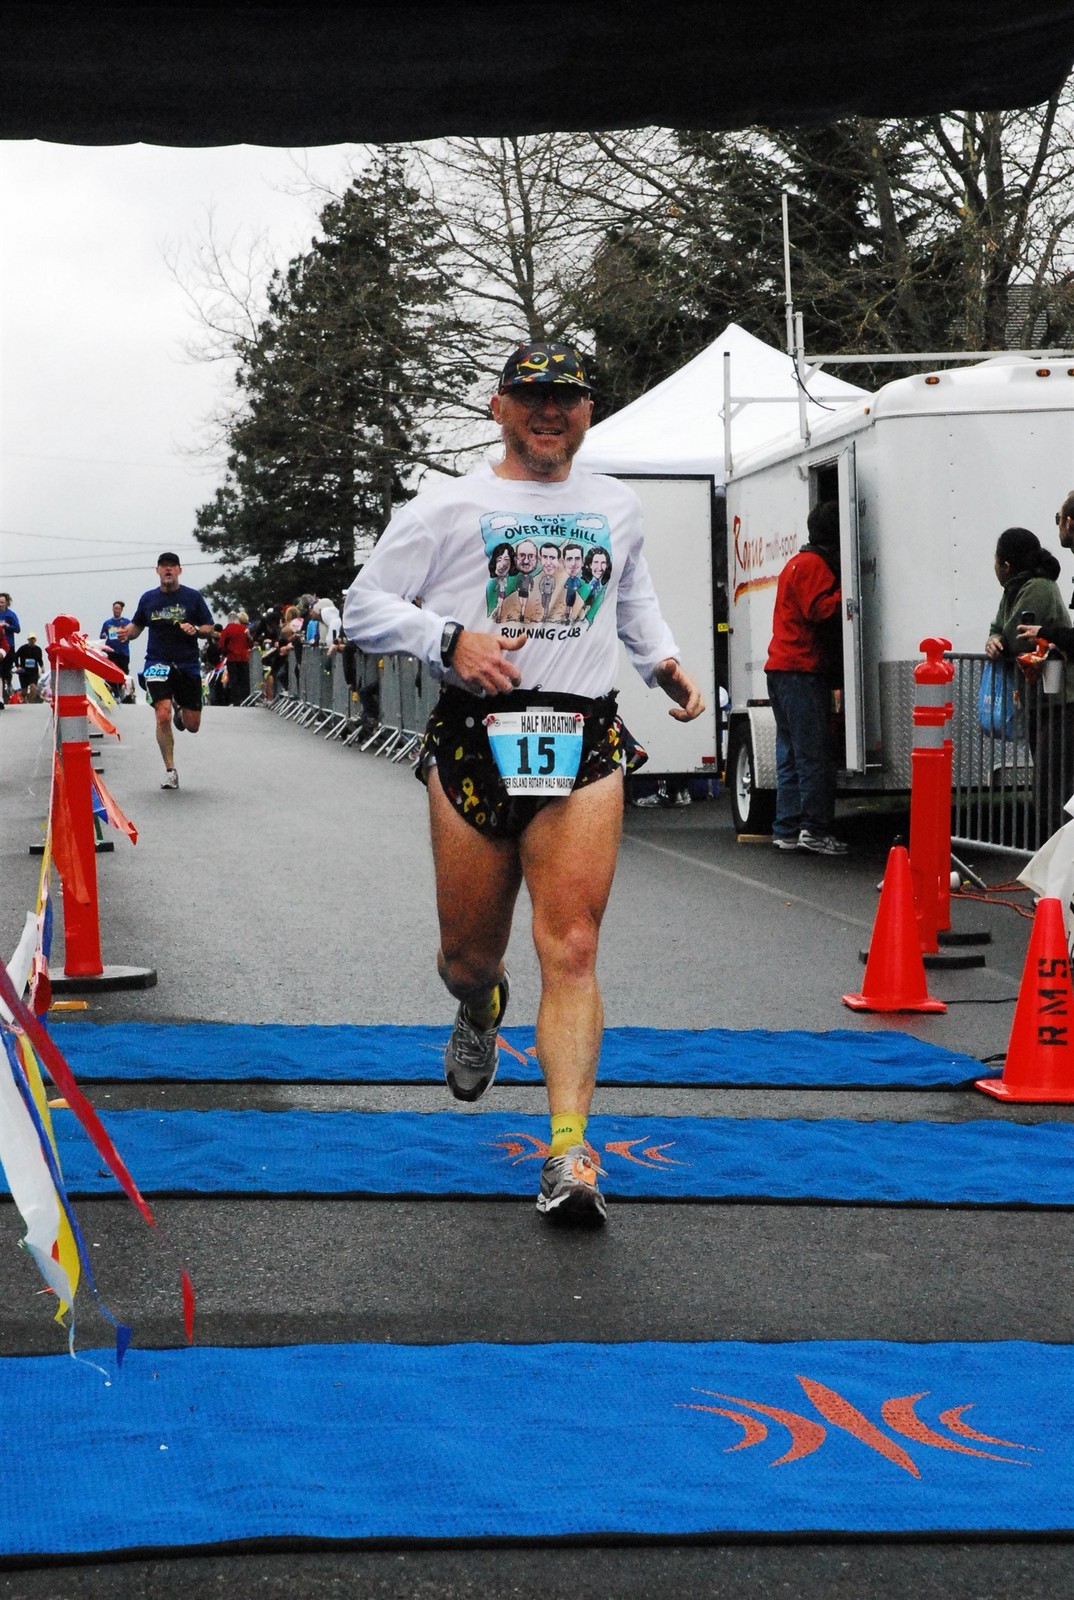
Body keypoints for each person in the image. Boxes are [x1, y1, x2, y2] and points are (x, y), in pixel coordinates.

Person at [343, 339, 703, 1226]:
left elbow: (632, 597)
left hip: (580, 737)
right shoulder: (446, 505)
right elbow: (363, 607)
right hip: (475, 736)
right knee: (467, 956)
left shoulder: (616, 506)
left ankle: (569, 1151)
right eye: (533, 397)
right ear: (499, 407)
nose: (550, 413)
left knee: (572, 945)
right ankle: (481, 1006)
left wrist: (662, 663)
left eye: (567, 399)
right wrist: (447, 639)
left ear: (588, 412)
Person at [764, 500, 847, 856]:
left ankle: (786, 828)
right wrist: (848, 591)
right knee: (813, 755)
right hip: (801, 670)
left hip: (780, 668)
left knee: (790, 754)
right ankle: (814, 829)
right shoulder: (815, 565)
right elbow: (820, 609)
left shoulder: (795, 563)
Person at [987, 524, 1074, 841]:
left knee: (1052, 786)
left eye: (996, 561)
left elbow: (1016, 636)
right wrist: (992, 639)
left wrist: (1001, 641)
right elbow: (999, 627)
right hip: (1040, 698)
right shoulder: (1012, 590)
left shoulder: (1038, 587)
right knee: (1049, 780)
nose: (994, 568)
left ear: (1006, 565)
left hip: (1061, 699)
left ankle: (1060, 854)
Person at [118, 552, 214, 789]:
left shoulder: (192, 597)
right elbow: (137, 626)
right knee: (162, 715)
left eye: (172, 566)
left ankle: (181, 711)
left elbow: (209, 627)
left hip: (186, 664)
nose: (168, 570)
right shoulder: (149, 599)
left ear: (179, 570)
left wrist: (197, 631)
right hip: (157, 663)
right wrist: (127, 633)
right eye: (164, 566)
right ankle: (170, 770)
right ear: (157, 571)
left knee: (192, 725)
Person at [218, 611, 253, 704]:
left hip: (232, 658)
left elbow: (221, 645)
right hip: (244, 657)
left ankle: (236, 701)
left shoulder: (226, 630)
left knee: (234, 680)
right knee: (244, 679)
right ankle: (246, 699)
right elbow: (250, 644)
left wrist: (224, 652)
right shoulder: (244, 629)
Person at [0, 592, 20, 706]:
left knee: (6, 668)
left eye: (2, 602)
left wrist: (8, 626)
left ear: (6, 603)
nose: (0, 604)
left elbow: (18, 629)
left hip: (9, 645)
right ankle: (2, 695)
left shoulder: (11, 615)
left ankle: (8, 681)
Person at [13, 634, 45, 700]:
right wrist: (18, 666)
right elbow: (15, 656)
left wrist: (42, 667)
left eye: (33, 639)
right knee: (24, 692)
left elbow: (40, 659)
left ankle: (29, 701)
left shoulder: (38, 649)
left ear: (35, 640)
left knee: (33, 687)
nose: (32, 641)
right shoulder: (23, 648)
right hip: (23, 671)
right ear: (28, 640)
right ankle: (24, 699)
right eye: (31, 639)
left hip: (33, 672)